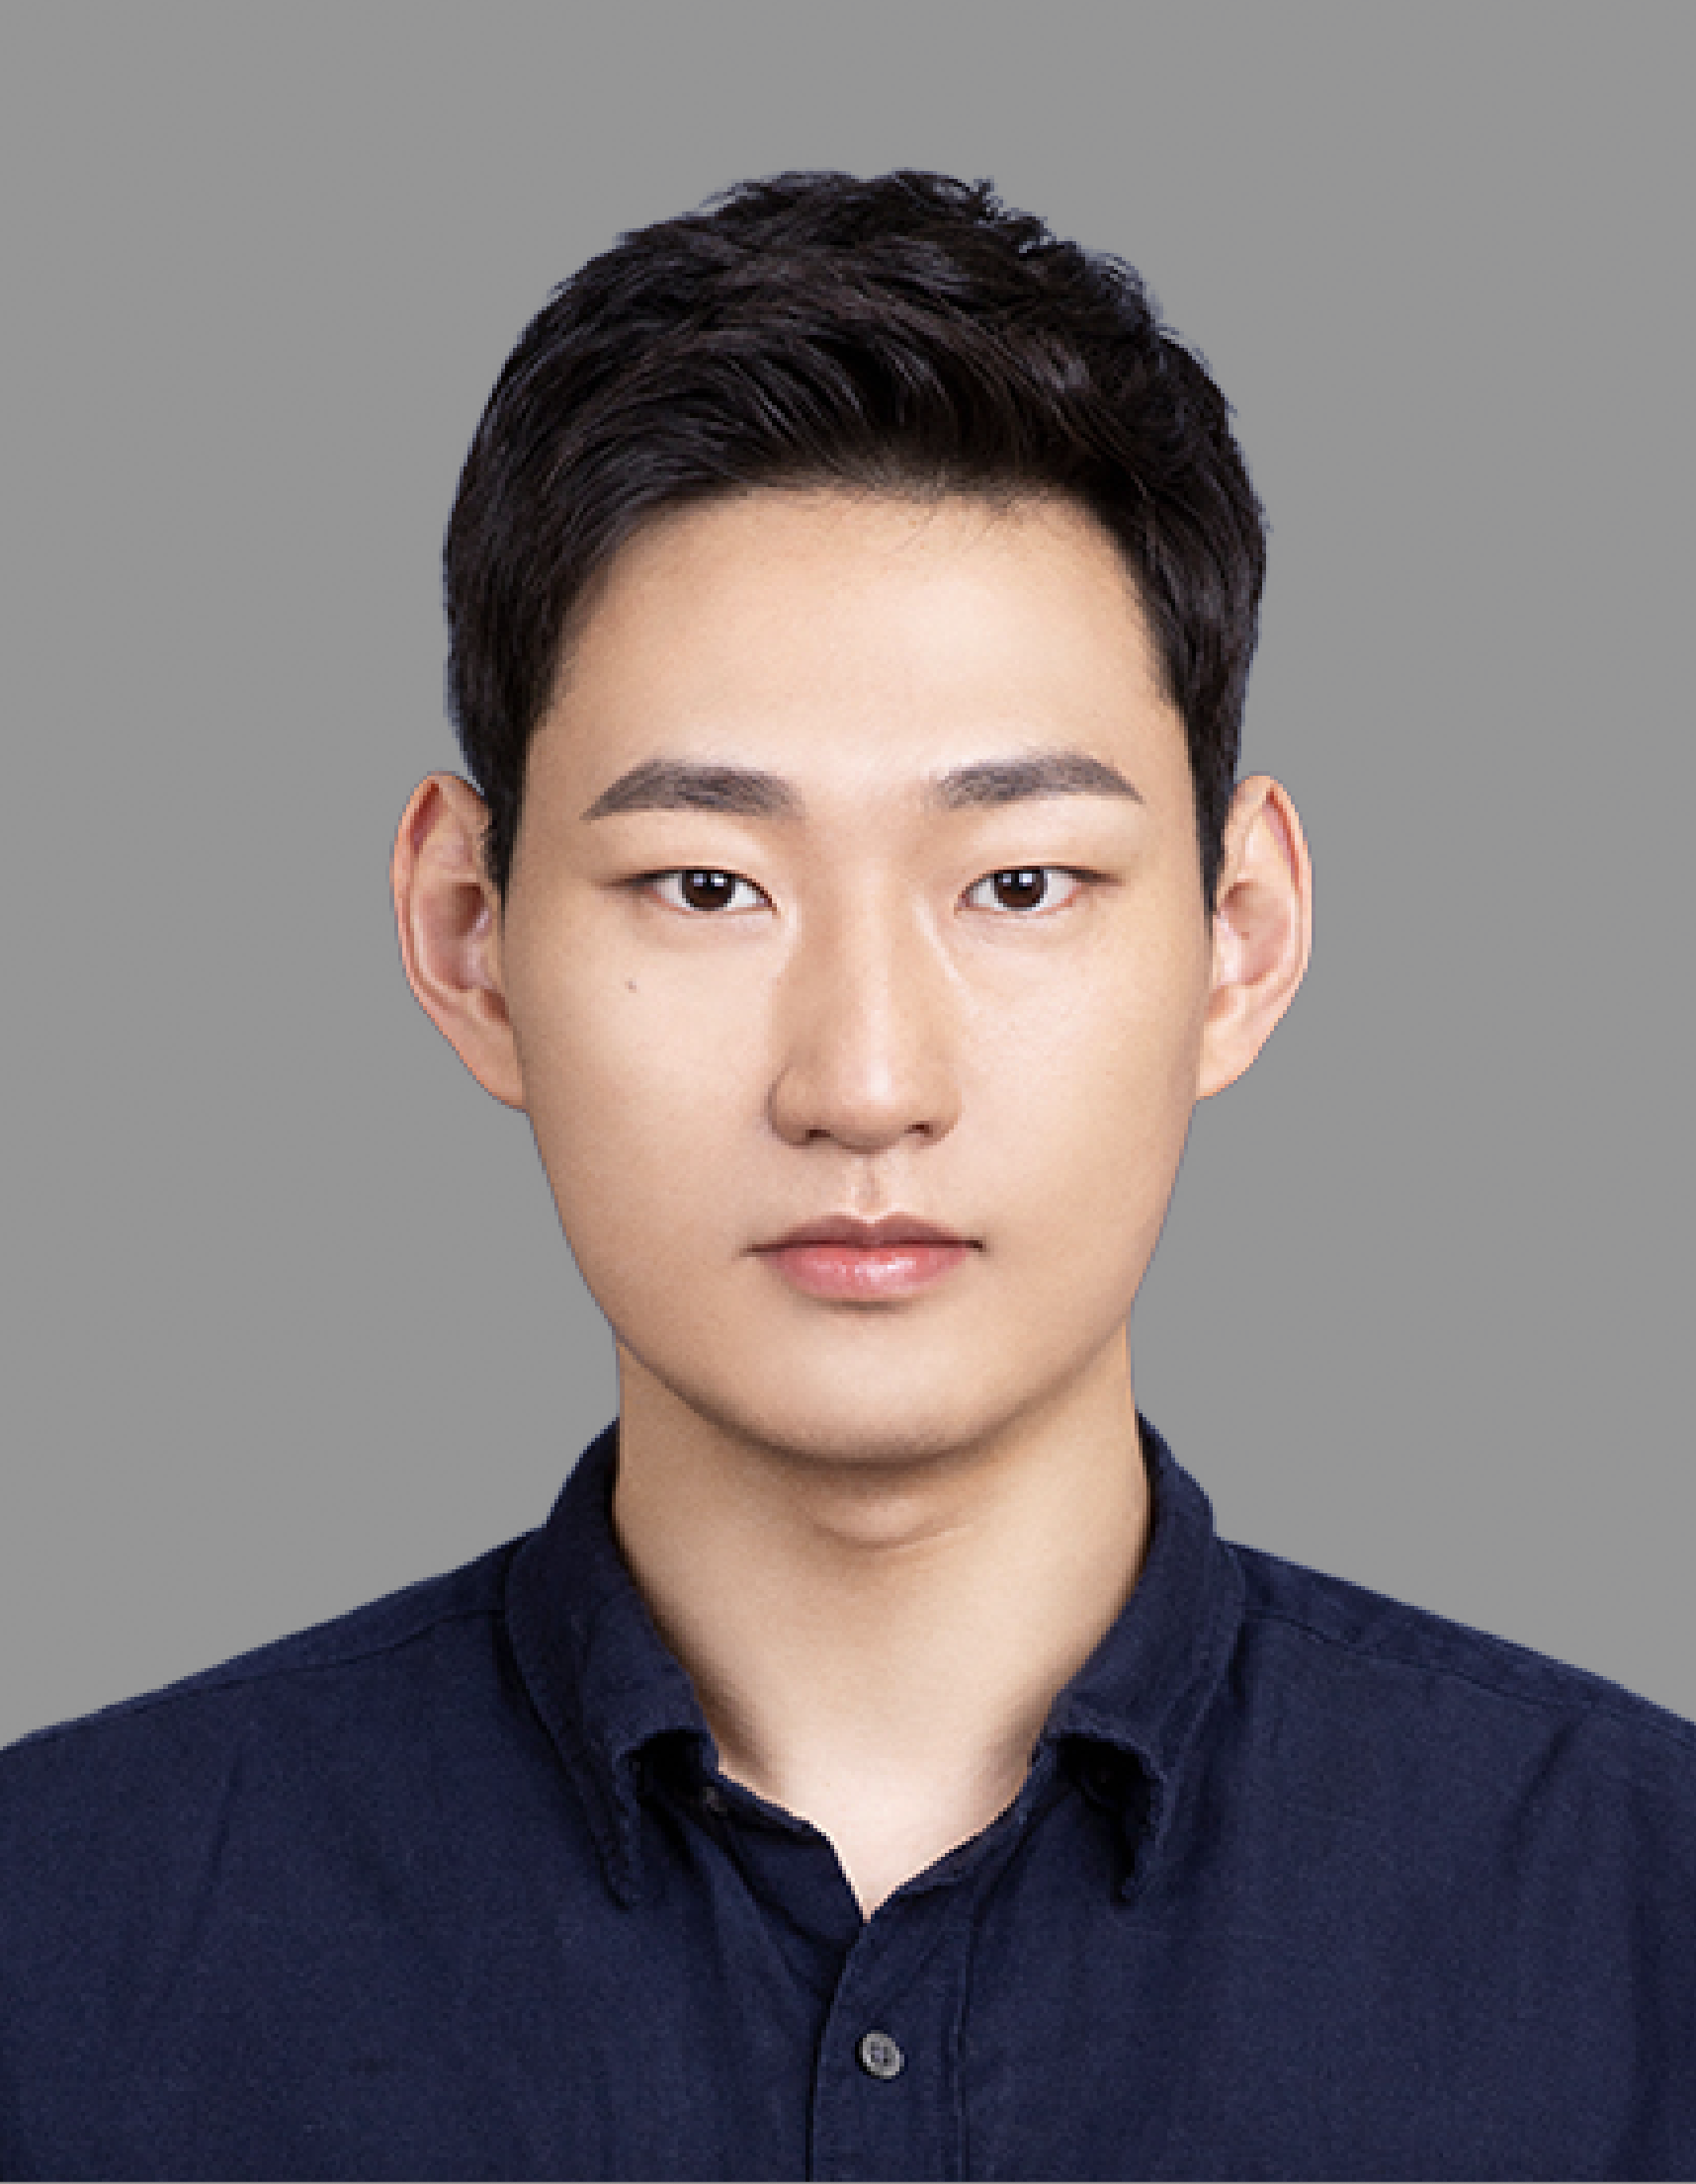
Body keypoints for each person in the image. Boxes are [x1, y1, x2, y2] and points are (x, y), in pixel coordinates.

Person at [1, 168, 1690, 2183]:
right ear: (471, 935)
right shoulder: (63, 1945)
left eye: (1021, 881)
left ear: (1239, 935)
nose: (865, 1084)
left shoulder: (1641, 1929)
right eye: (707, 884)